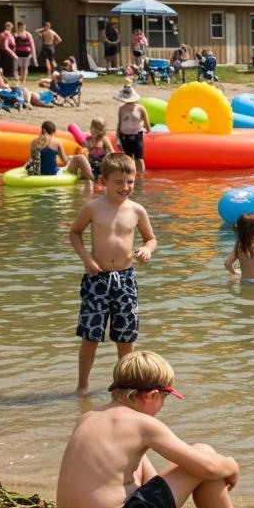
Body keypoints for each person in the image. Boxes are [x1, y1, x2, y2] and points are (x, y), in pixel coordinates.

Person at [56, 350, 254, 508]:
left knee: (137, 460)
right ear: (151, 395)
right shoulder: (143, 424)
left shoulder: (90, 417)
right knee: (204, 452)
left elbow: (145, 479)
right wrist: (232, 466)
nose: (163, 404)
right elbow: (208, 468)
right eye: (165, 398)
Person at [69, 151, 156, 397]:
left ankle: (125, 383)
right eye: (119, 182)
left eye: (130, 181)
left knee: (126, 336)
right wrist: (87, 258)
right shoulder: (93, 208)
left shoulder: (137, 210)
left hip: (126, 280)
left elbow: (151, 238)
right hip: (97, 279)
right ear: (102, 181)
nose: (126, 187)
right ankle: (82, 385)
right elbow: (74, 233)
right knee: (90, 335)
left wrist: (147, 249)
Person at [26, 119, 94, 180]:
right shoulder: (57, 142)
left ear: (42, 130)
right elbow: (65, 161)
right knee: (80, 158)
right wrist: (71, 157)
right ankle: (92, 180)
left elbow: (33, 160)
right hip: (53, 175)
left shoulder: (34, 142)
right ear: (53, 132)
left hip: (37, 174)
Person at [115, 85, 151, 173]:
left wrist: (148, 129)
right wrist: (117, 136)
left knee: (139, 158)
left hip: (137, 136)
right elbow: (120, 122)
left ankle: (141, 177)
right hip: (124, 136)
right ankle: (130, 174)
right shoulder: (121, 108)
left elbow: (146, 122)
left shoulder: (140, 108)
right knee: (128, 158)